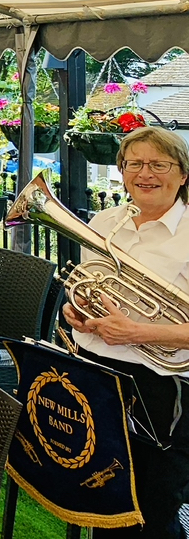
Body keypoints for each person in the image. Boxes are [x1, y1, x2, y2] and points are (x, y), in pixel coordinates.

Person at [60, 126, 189, 539]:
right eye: (134, 163)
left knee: (152, 507)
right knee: (103, 495)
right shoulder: (106, 221)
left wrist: (138, 332)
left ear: (183, 174)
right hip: (96, 372)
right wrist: (78, 311)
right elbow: (90, 287)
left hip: (162, 387)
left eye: (159, 164)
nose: (144, 174)